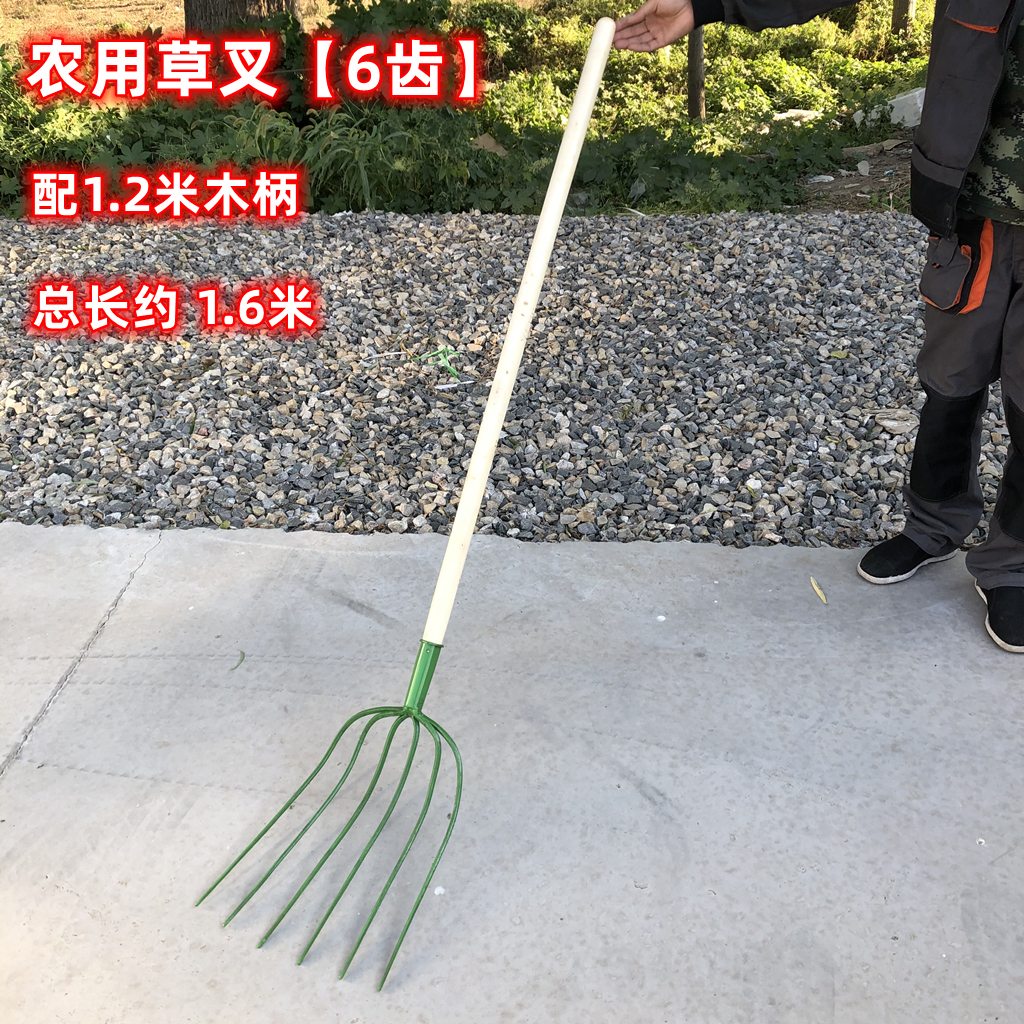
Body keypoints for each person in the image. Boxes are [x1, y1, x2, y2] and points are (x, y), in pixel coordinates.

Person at [615, 0, 1024, 654]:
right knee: (950, 383)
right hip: (977, 213)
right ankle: (932, 526)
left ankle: (1013, 566)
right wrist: (707, 4)